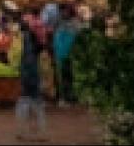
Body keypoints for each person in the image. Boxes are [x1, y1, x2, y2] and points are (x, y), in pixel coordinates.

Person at [14, 13, 49, 142]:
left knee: (25, 102)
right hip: (31, 76)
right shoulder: (31, 43)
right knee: (35, 104)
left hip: (28, 75)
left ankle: (23, 131)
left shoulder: (26, 40)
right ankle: (38, 132)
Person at [52, 10, 83, 106]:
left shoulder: (64, 27)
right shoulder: (71, 27)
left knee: (66, 77)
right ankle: (66, 97)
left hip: (64, 55)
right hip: (65, 56)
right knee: (66, 77)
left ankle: (66, 97)